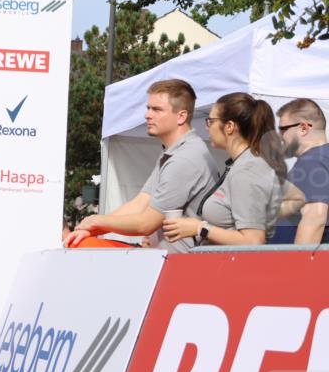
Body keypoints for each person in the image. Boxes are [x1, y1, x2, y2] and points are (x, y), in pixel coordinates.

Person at [65, 79, 220, 251]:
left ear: (181, 116)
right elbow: (140, 202)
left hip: (177, 264)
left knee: (81, 245)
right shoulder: (175, 151)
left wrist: (96, 222)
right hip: (159, 256)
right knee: (81, 242)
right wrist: (91, 228)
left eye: (156, 109)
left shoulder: (185, 158)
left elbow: (146, 224)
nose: (147, 115)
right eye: (148, 108)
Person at [163, 93, 286, 246]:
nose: (207, 127)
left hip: (235, 267)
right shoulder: (241, 164)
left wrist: (200, 228)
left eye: (211, 121)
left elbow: (253, 241)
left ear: (229, 127)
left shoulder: (247, 170)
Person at [274, 98, 329, 245]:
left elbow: (315, 218)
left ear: (303, 128)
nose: (279, 136)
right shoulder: (322, 158)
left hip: (305, 264)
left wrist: (298, 265)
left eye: (283, 129)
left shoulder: (311, 162)